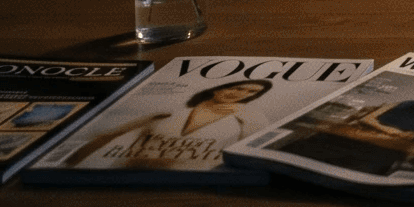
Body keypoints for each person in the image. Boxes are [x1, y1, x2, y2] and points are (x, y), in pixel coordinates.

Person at [60, 78, 276, 169]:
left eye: (250, 92)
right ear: (218, 87)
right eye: (238, 87)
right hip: (128, 172)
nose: (242, 94)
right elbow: (108, 136)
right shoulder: (168, 111)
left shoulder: (247, 117)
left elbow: (257, 149)